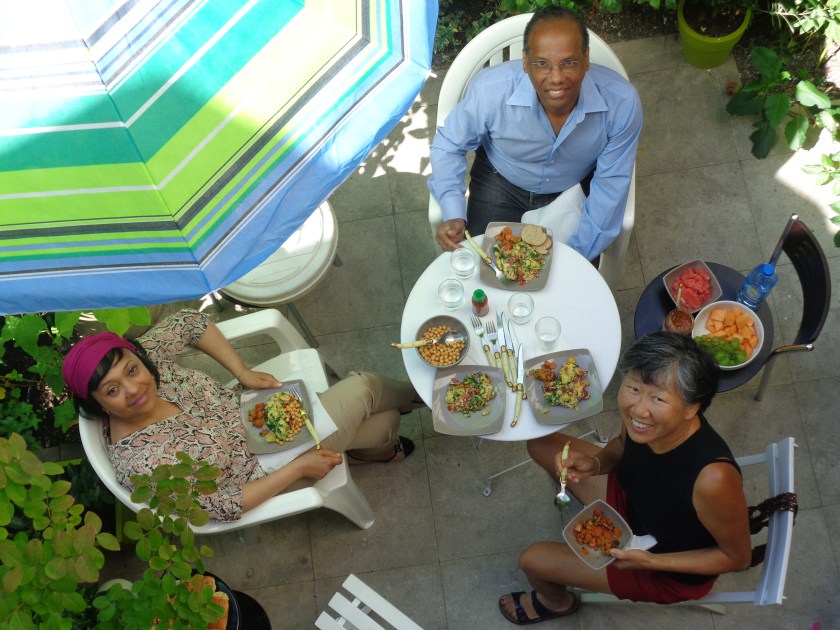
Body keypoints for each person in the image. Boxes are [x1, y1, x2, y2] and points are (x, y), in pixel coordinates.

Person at [63, 309, 424, 522]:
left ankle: (372, 451)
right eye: (112, 390)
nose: (133, 389)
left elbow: (190, 322)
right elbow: (222, 504)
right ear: (98, 406)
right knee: (364, 390)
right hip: (266, 465)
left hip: (260, 409)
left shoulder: (145, 361)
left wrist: (242, 372)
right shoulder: (143, 463)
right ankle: (424, 394)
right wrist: (297, 469)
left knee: (384, 424)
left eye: (131, 370)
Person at [498, 332, 751, 624]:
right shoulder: (639, 419)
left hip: (658, 564)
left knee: (531, 561)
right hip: (631, 501)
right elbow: (621, 446)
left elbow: (737, 558)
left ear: (692, 409)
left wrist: (651, 561)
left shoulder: (712, 479)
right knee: (540, 444)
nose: (638, 409)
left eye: (658, 398)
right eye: (633, 388)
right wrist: (595, 463)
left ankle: (556, 602)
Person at [428, 7, 642, 262]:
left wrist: (574, 259)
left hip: (572, 186)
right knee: (489, 272)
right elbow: (449, 145)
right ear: (525, 62)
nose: (556, 78)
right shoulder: (490, 91)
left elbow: (610, 188)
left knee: (568, 289)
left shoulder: (622, 103)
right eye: (542, 64)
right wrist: (453, 211)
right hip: (500, 181)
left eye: (569, 63)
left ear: (586, 59)